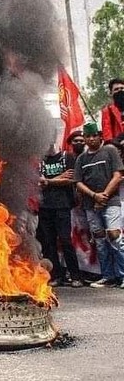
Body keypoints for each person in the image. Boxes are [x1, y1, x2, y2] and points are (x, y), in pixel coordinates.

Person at [73, 122, 124, 288]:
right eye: (88, 136)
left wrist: (104, 196)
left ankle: (122, 275)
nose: (91, 139)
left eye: (94, 135)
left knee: (115, 236)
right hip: (91, 205)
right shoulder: (81, 158)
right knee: (100, 241)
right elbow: (78, 182)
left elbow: (117, 176)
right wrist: (94, 196)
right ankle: (108, 276)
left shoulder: (109, 151)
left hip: (111, 203)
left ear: (100, 136)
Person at [37, 142, 83, 287]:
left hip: (62, 206)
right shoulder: (40, 161)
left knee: (65, 240)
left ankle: (75, 275)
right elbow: (38, 182)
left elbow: (70, 179)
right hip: (44, 206)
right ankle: (56, 275)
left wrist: (48, 181)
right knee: (49, 243)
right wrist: (57, 179)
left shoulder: (67, 157)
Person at [99, 78, 124, 142]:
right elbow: (107, 136)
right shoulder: (107, 111)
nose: (120, 91)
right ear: (111, 93)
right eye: (116, 89)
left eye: (122, 88)